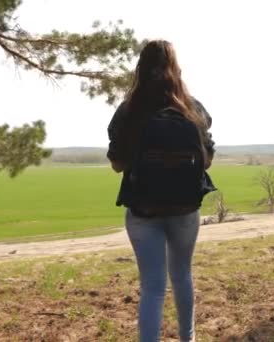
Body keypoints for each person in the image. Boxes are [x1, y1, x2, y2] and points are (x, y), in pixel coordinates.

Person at [106, 40, 215, 342]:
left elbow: (117, 164)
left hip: (143, 211)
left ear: (140, 68)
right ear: (174, 69)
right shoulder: (193, 108)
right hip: (185, 210)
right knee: (182, 275)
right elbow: (206, 160)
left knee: (153, 286)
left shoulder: (129, 111)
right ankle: (188, 338)